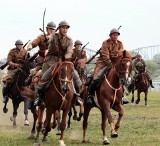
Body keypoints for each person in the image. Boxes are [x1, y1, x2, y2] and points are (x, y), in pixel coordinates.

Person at [34, 20, 82, 106]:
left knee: (77, 78)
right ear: (59, 28)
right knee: (44, 78)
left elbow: (69, 52)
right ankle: (39, 98)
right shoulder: (54, 35)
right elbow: (49, 39)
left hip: (64, 61)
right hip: (51, 61)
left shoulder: (70, 40)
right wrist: (46, 38)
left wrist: (64, 60)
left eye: (66, 28)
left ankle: (77, 97)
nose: (65, 29)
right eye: (63, 27)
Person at [87, 28, 129, 105]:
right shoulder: (105, 43)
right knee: (96, 78)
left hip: (115, 63)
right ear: (110, 36)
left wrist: (118, 63)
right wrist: (111, 65)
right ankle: (90, 96)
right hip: (103, 63)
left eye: (116, 35)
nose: (115, 36)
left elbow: (121, 55)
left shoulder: (120, 43)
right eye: (113, 35)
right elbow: (105, 56)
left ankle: (122, 96)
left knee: (121, 77)